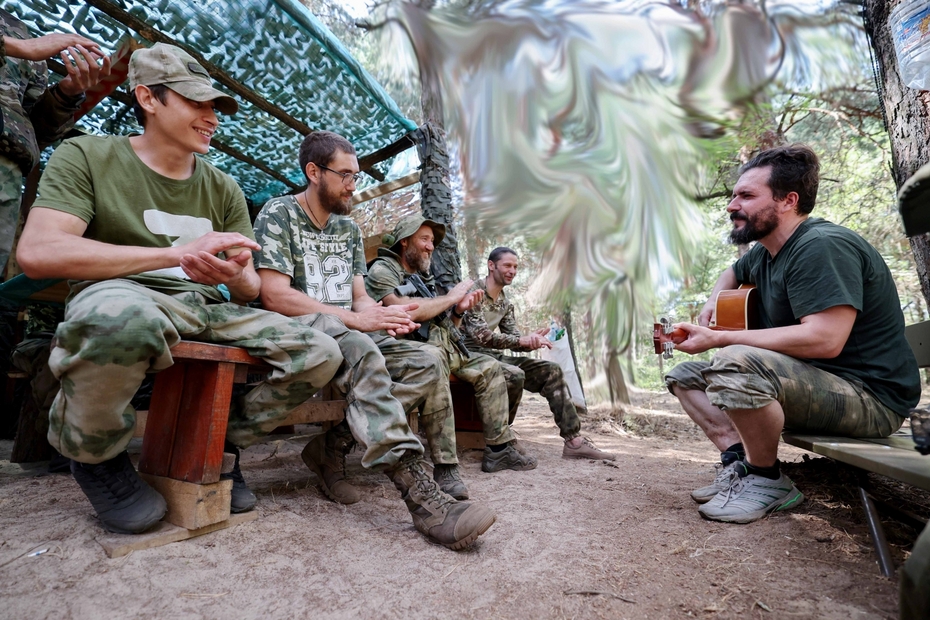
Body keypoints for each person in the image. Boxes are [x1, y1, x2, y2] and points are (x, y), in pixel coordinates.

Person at [17, 44, 495, 551]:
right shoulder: (88, 155)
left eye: (215, 108)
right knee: (122, 319)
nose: (211, 118)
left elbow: (249, 290)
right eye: (196, 103)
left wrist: (238, 275)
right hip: (124, 293)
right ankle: (94, 456)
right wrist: (174, 257)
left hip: (207, 306)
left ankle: (222, 443)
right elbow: (41, 251)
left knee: (324, 351)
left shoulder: (222, 187)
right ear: (147, 99)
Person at [664, 143, 920, 524]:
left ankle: (768, 481)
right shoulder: (767, 251)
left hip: (871, 399)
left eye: (747, 196)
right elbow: (732, 272)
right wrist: (714, 303)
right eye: (734, 195)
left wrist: (721, 338)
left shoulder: (821, 247)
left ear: (788, 201)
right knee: (684, 377)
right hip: (818, 385)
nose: (732, 205)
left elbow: (824, 339)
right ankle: (742, 465)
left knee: (733, 361)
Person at [252, 130, 470, 501]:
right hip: (298, 327)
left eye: (357, 176)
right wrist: (356, 320)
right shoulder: (280, 213)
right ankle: (412, 486)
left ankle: (333, 445)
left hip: (347, 328)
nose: (353, 185)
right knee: (356, 341)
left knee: (429, 360)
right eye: (346, 175)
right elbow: (273, 295)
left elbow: (359, 299)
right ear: (314, 172)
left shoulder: (348, 229)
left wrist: (385, 315)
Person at [366, 215, 538, 473]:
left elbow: (444, 324)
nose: (430, 246)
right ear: (404, 242)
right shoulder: (383, 269)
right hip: (405, 350)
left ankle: (499, 450)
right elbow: (402, 309)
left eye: (432, 241)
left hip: (443, 347)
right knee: (436, 361)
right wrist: (450, 299)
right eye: (424, 239)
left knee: (490, 367)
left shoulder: (423, 279)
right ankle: (445, 465)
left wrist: (457, 310)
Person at [461, 247, 615, 461]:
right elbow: (482, 337)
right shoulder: (474, 292)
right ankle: (503, 439)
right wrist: (521, 340)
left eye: (515, 267)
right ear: (491, 265)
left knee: (551, 371)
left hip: (491, 356)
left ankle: (574, 441)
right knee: (513, 373)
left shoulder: (505, 303)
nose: (512, 271)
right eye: (507, 265)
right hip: (466, 355)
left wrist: (532, 340)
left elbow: (513, 339)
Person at [0, 9, 111, 275]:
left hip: (7, 175)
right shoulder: (27, 42)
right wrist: (19, 47)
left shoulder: (19, 28)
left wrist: (68, 92)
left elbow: (35, 131)